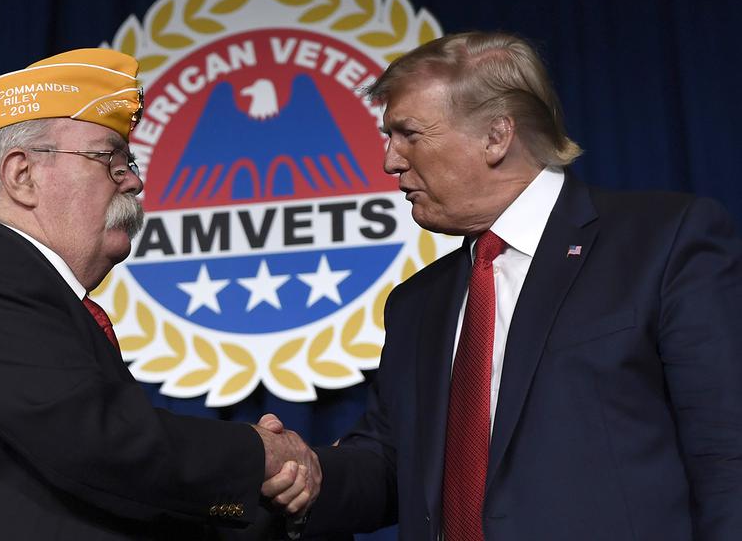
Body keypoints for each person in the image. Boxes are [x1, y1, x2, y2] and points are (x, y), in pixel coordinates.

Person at [267, 31, 742, 540]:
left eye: (408, 134)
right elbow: (393, 465)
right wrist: (311, 474)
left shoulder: (663, 242)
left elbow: (726, 453)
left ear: (496, 137)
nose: (390, 160)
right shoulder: (414, 303)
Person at [0, 48, 318, 540]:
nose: (134, 179)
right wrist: (259, 455)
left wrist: (274, 498)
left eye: (128, 161)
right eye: (108, 158)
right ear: (22, 175)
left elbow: (113, 492)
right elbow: (92, 440)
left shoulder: (30, 284)